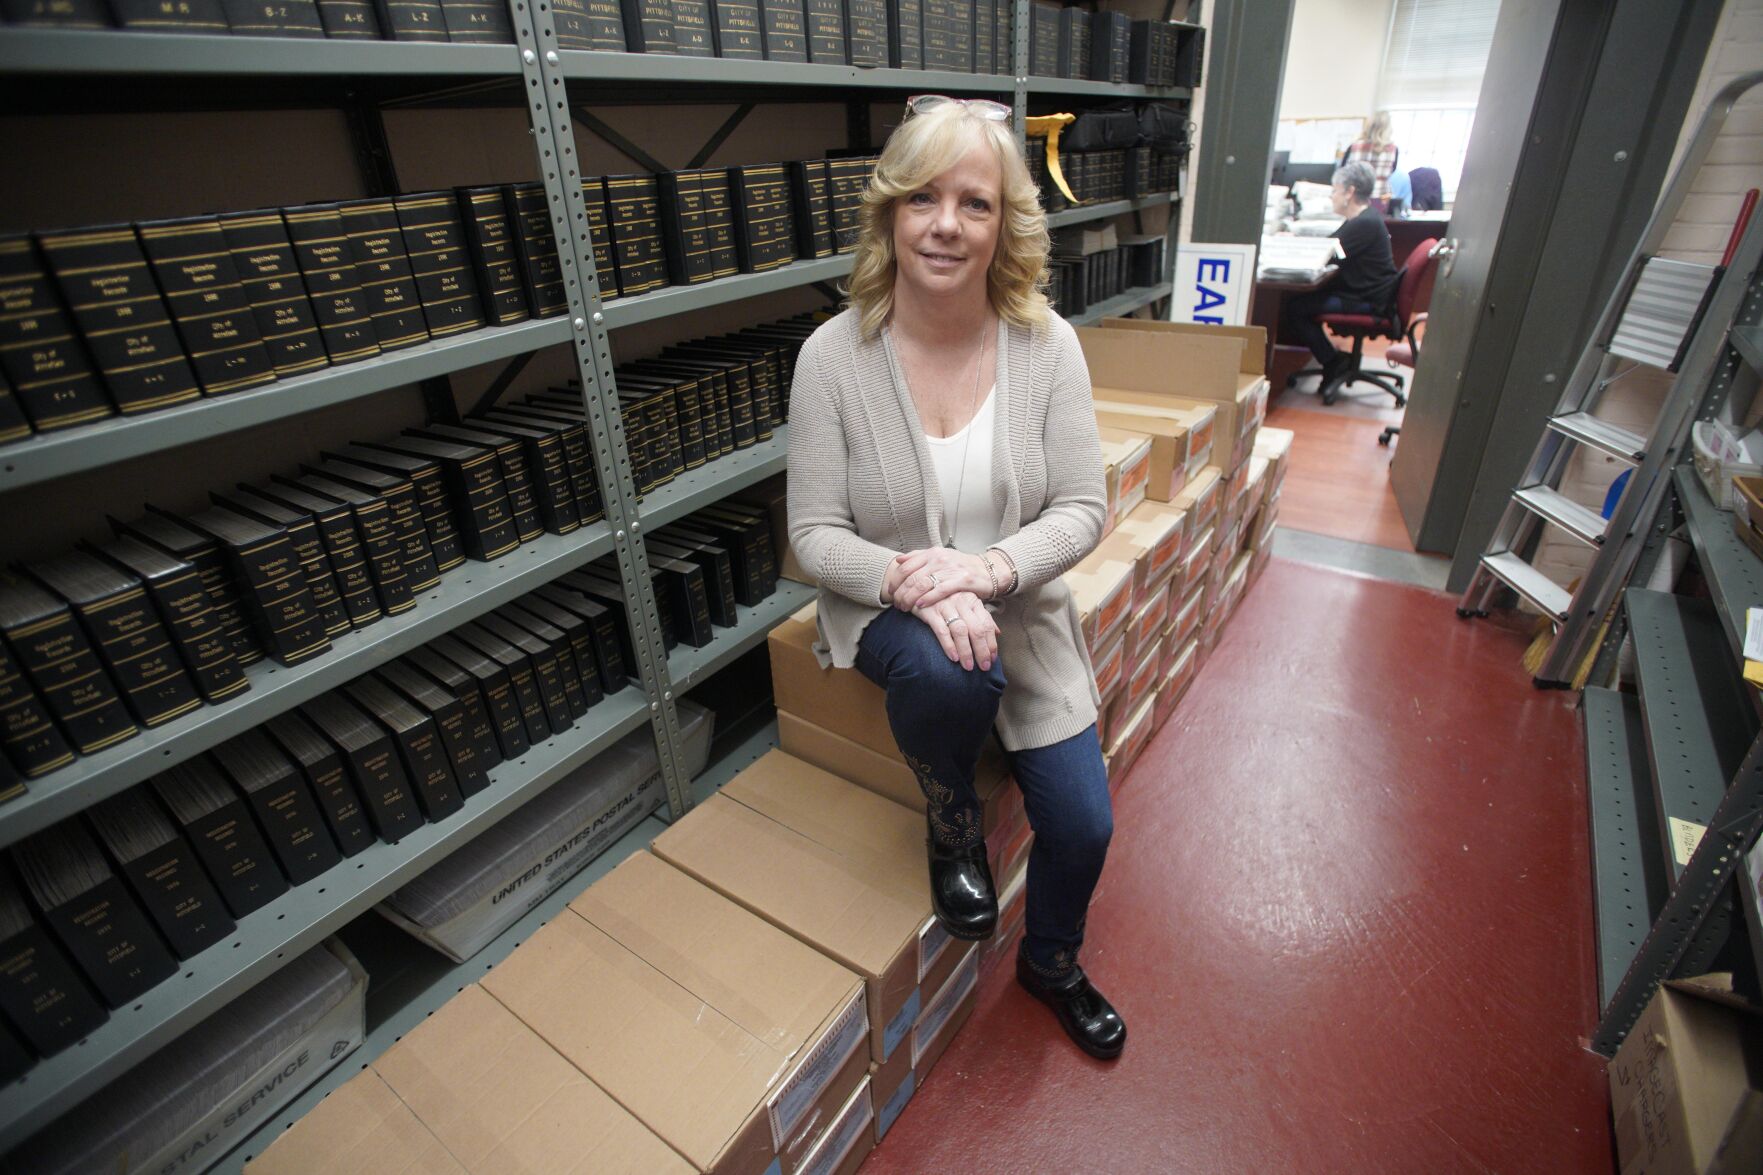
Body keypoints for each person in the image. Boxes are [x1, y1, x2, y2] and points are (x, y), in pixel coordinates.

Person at [786, 94, 1125, 1060]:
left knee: (1083, 827)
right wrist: (916, 583)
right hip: (886, 602)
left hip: (1020, 604)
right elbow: (814, 535)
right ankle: (951, 819)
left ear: (1003, 225)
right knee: (948, 671)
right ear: (889, 213)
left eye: (974, 203)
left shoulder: (1045, 345)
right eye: (922, 198)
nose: (945, 224)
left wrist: (986, 568)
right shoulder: (831, 357)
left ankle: (1050, 961)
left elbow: (1081, 508)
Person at [1281, 161, 1400, 389]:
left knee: (1296, 308)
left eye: (1335, 190)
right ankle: (1333, 359)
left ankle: (1333, 362)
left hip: (1367, 300)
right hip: (1365, 292)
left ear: (1349, 192)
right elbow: (1332, 245)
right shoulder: (1363, 218)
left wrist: (1294, 247)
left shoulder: (1364, 223)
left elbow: (1326, 254)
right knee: (1300, 302)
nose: (1332, 196)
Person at [1341, 111, 1400, 208]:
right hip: (1382, 197)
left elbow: (1342, 171)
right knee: (1376, 217)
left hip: (1356, 195)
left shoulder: (1354, 147)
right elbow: (1392, 170)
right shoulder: (1393, 149)